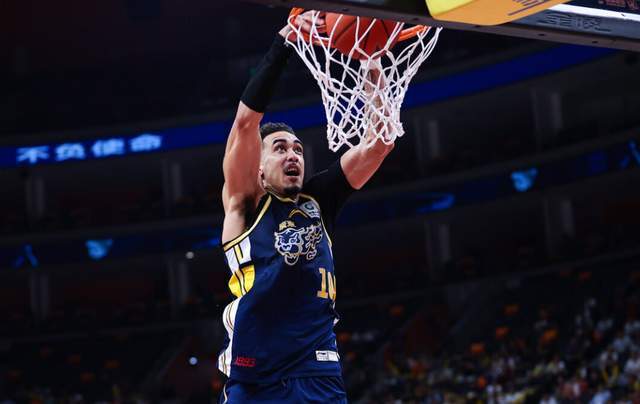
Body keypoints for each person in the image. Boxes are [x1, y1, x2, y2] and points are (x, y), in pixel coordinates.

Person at [218, 11, 394, 403]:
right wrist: (285, 42)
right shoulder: (245, 202)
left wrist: (370, 62)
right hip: (257, 373)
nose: (293, 155)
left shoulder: (319, 200)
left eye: (298, 149)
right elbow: (245, 124)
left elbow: (379, 144)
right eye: (280, 149)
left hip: (318, 373)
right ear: (258, 168)